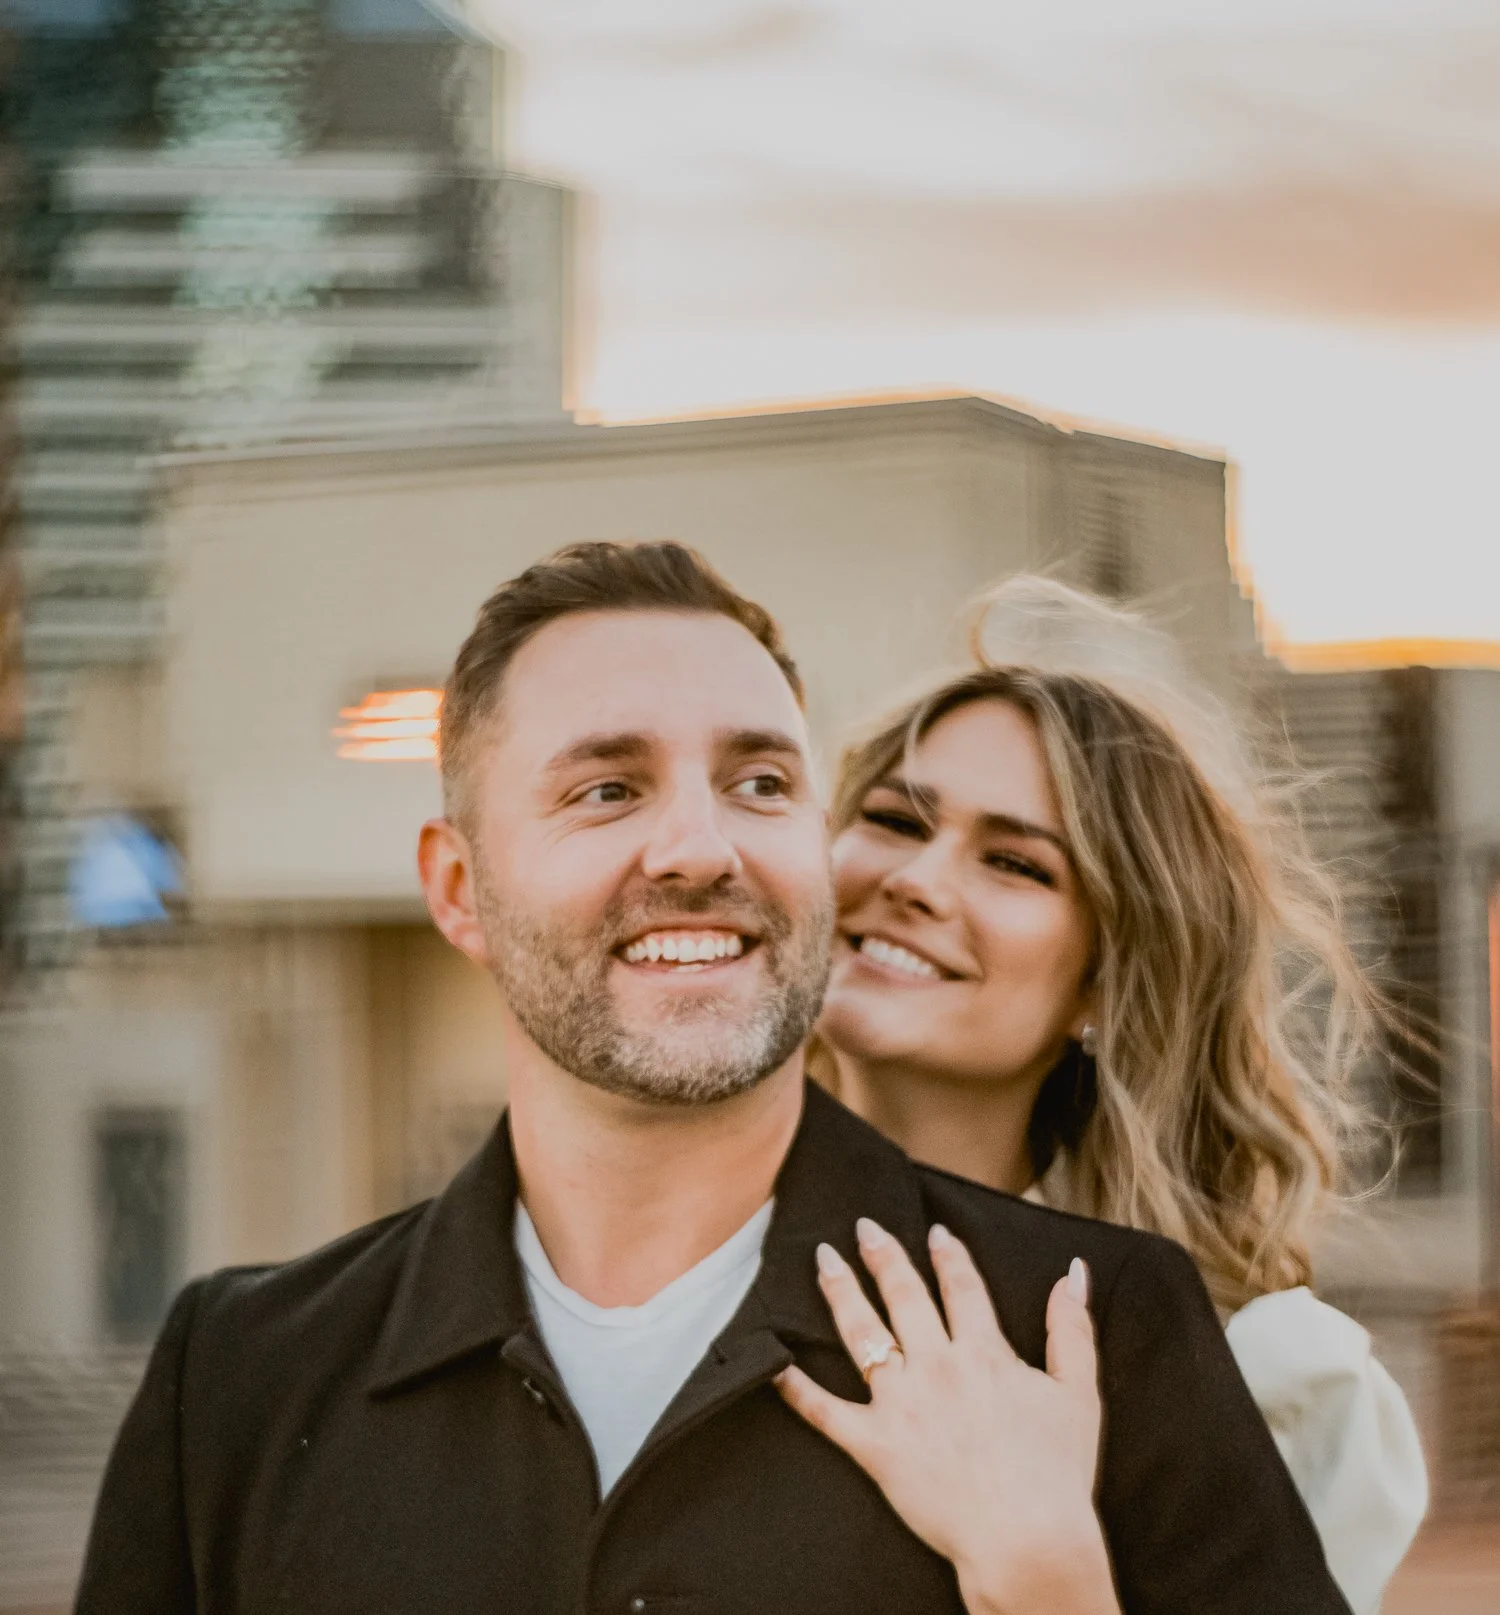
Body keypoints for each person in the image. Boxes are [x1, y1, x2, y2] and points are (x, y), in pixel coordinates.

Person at [77, 543, 1353, 1615]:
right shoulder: (237, 1377)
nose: (699, 847)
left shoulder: (1099, 1332)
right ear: (459, 890)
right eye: (608, 787)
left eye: (759, 782)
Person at [798, 575, 1428, 1615]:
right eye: (896, 820)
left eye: (1014, 864)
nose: (918, 879)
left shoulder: (1267, 1375)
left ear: (1105, 979)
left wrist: (1051, 1580)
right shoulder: (654, 1265)